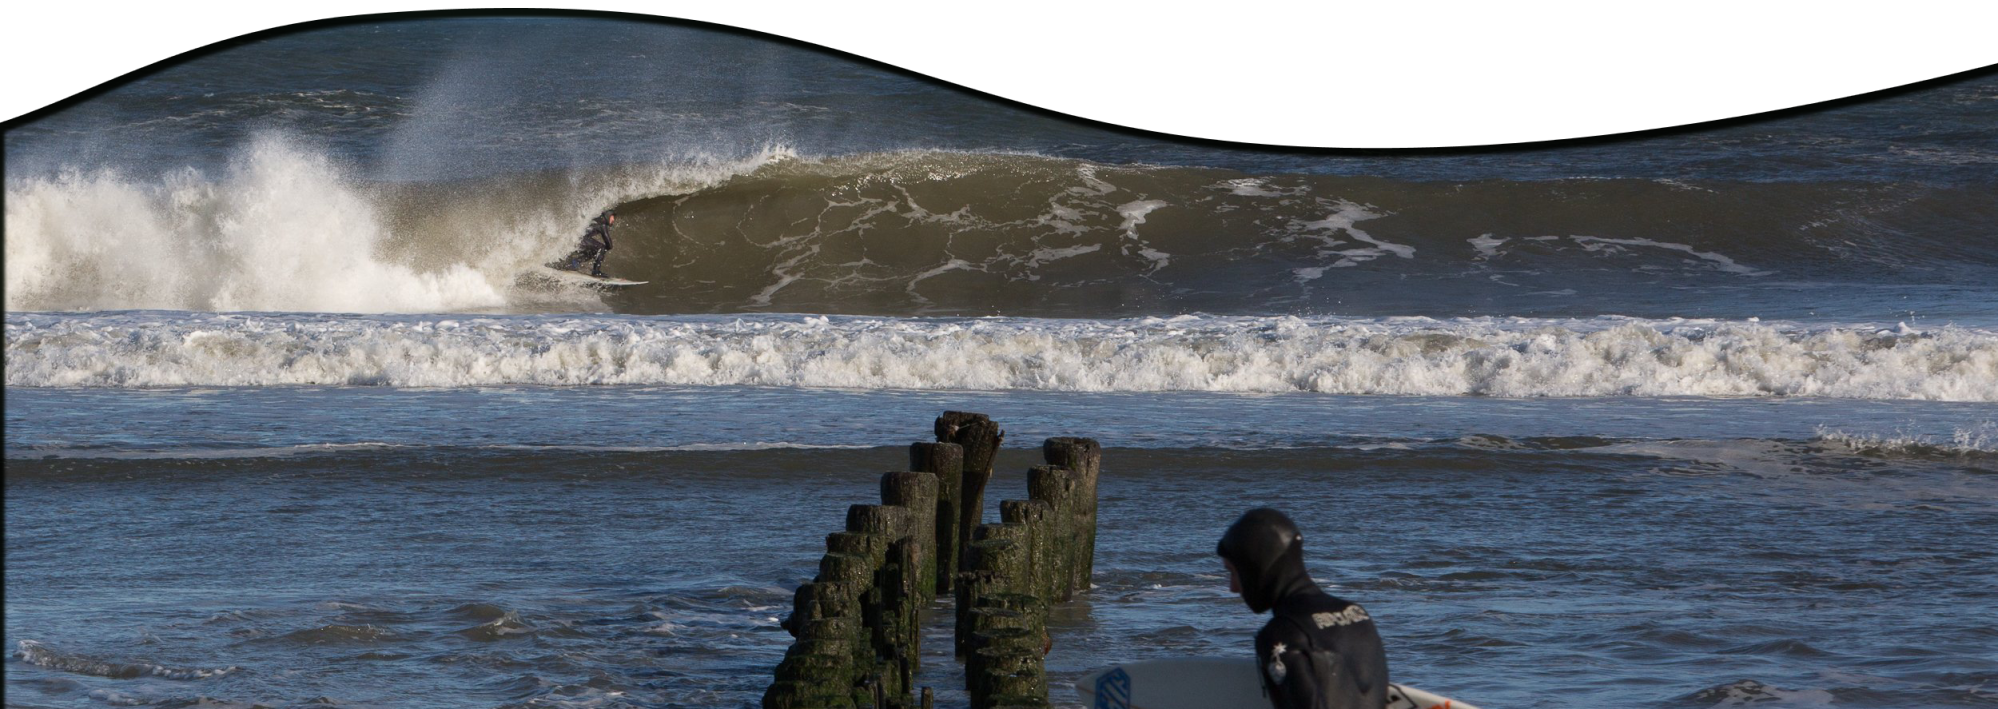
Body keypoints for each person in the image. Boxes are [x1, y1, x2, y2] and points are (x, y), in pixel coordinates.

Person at [1217, 508, 1389, 709]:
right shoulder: (1358, 614)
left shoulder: (1282, 634)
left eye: (1233, 573)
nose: (1233, 588)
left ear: (1256, 569)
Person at [563, 209, 617, 277]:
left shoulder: (595, 219)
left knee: (595, 250)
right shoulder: (602, 224)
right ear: (608, 215)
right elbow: (609, 245)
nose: (613, 220)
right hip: (581, 239)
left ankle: (574, 262)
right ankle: (596, 271)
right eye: (612, 217)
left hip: (576, 238)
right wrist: (603, 251)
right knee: (601, 248)